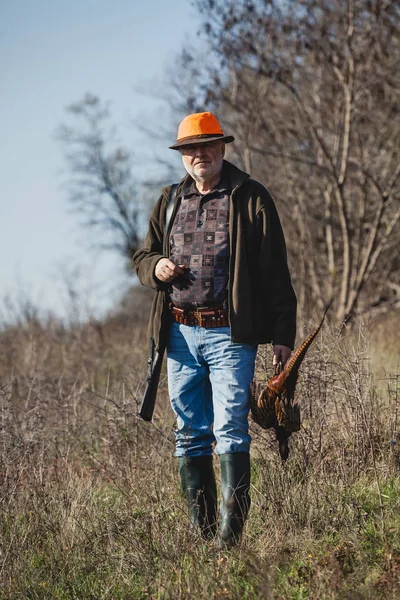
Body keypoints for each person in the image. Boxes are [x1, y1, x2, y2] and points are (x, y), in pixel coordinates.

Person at [133, 112, 297, 547]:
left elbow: (276, 273)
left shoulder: (250, 197)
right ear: (182, 155)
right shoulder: (169, 201)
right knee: (189, 431)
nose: (199, 154)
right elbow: (141, 257)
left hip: (230, 334)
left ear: (222, 148)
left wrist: (283, 335)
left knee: (230, 428)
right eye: (191, 148)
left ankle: (229, 540)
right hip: (180, 336)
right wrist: (157, 267)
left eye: (207, 146)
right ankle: (202, 535)